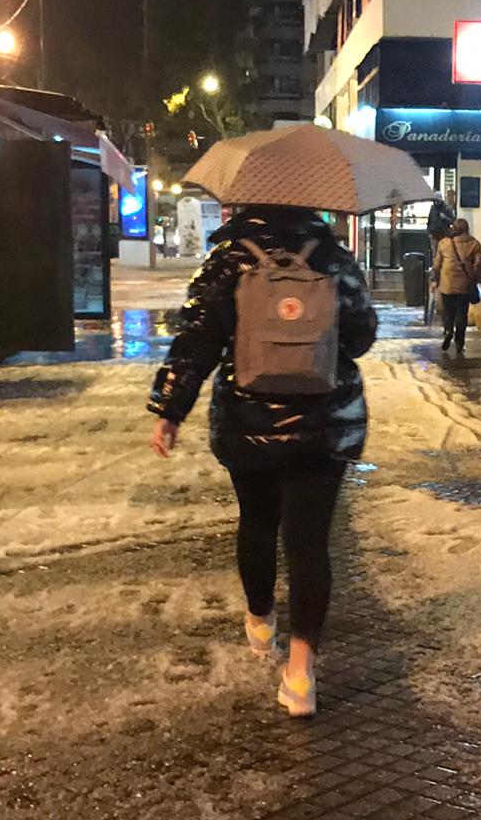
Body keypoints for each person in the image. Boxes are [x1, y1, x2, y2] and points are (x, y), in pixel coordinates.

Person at [148, 205, 378, 717]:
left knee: (257, 521)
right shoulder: (336, 259)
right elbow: (362, 338)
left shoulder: (227, 260)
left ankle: (260, 623)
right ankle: (300, 676)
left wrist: (170, 409)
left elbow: (197, 340)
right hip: (324, 421)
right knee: (309, 541)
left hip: (247, 419)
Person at [431, 218, 481, 355]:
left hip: (447, 284)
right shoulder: (474, 244)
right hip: (465, 285)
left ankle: (448, 330)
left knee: (448, 311)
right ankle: (459, 342)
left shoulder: (444, 243)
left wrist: (434, 280)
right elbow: (478, 264)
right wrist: (477, 278)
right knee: (462, 314)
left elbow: (437, 264)